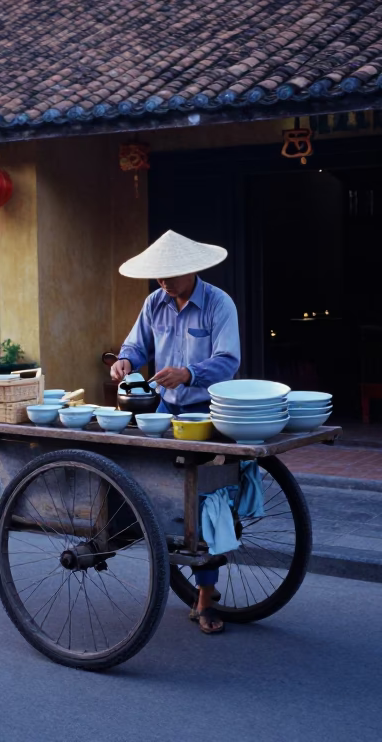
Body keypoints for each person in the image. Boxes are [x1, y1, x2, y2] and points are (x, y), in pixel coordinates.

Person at [110, 230, 240, 634]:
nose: (163, 283)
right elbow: (135, 346)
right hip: (165, 413)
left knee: (207, 503)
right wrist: (124, 363)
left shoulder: (219, 303)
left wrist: (190, 373)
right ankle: (172, 561)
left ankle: (204, 597)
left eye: (170, 276)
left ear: (193, 269)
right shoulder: (154, 303)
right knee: (164, 494)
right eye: (158, 277)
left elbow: (228, 361)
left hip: (209, 414)